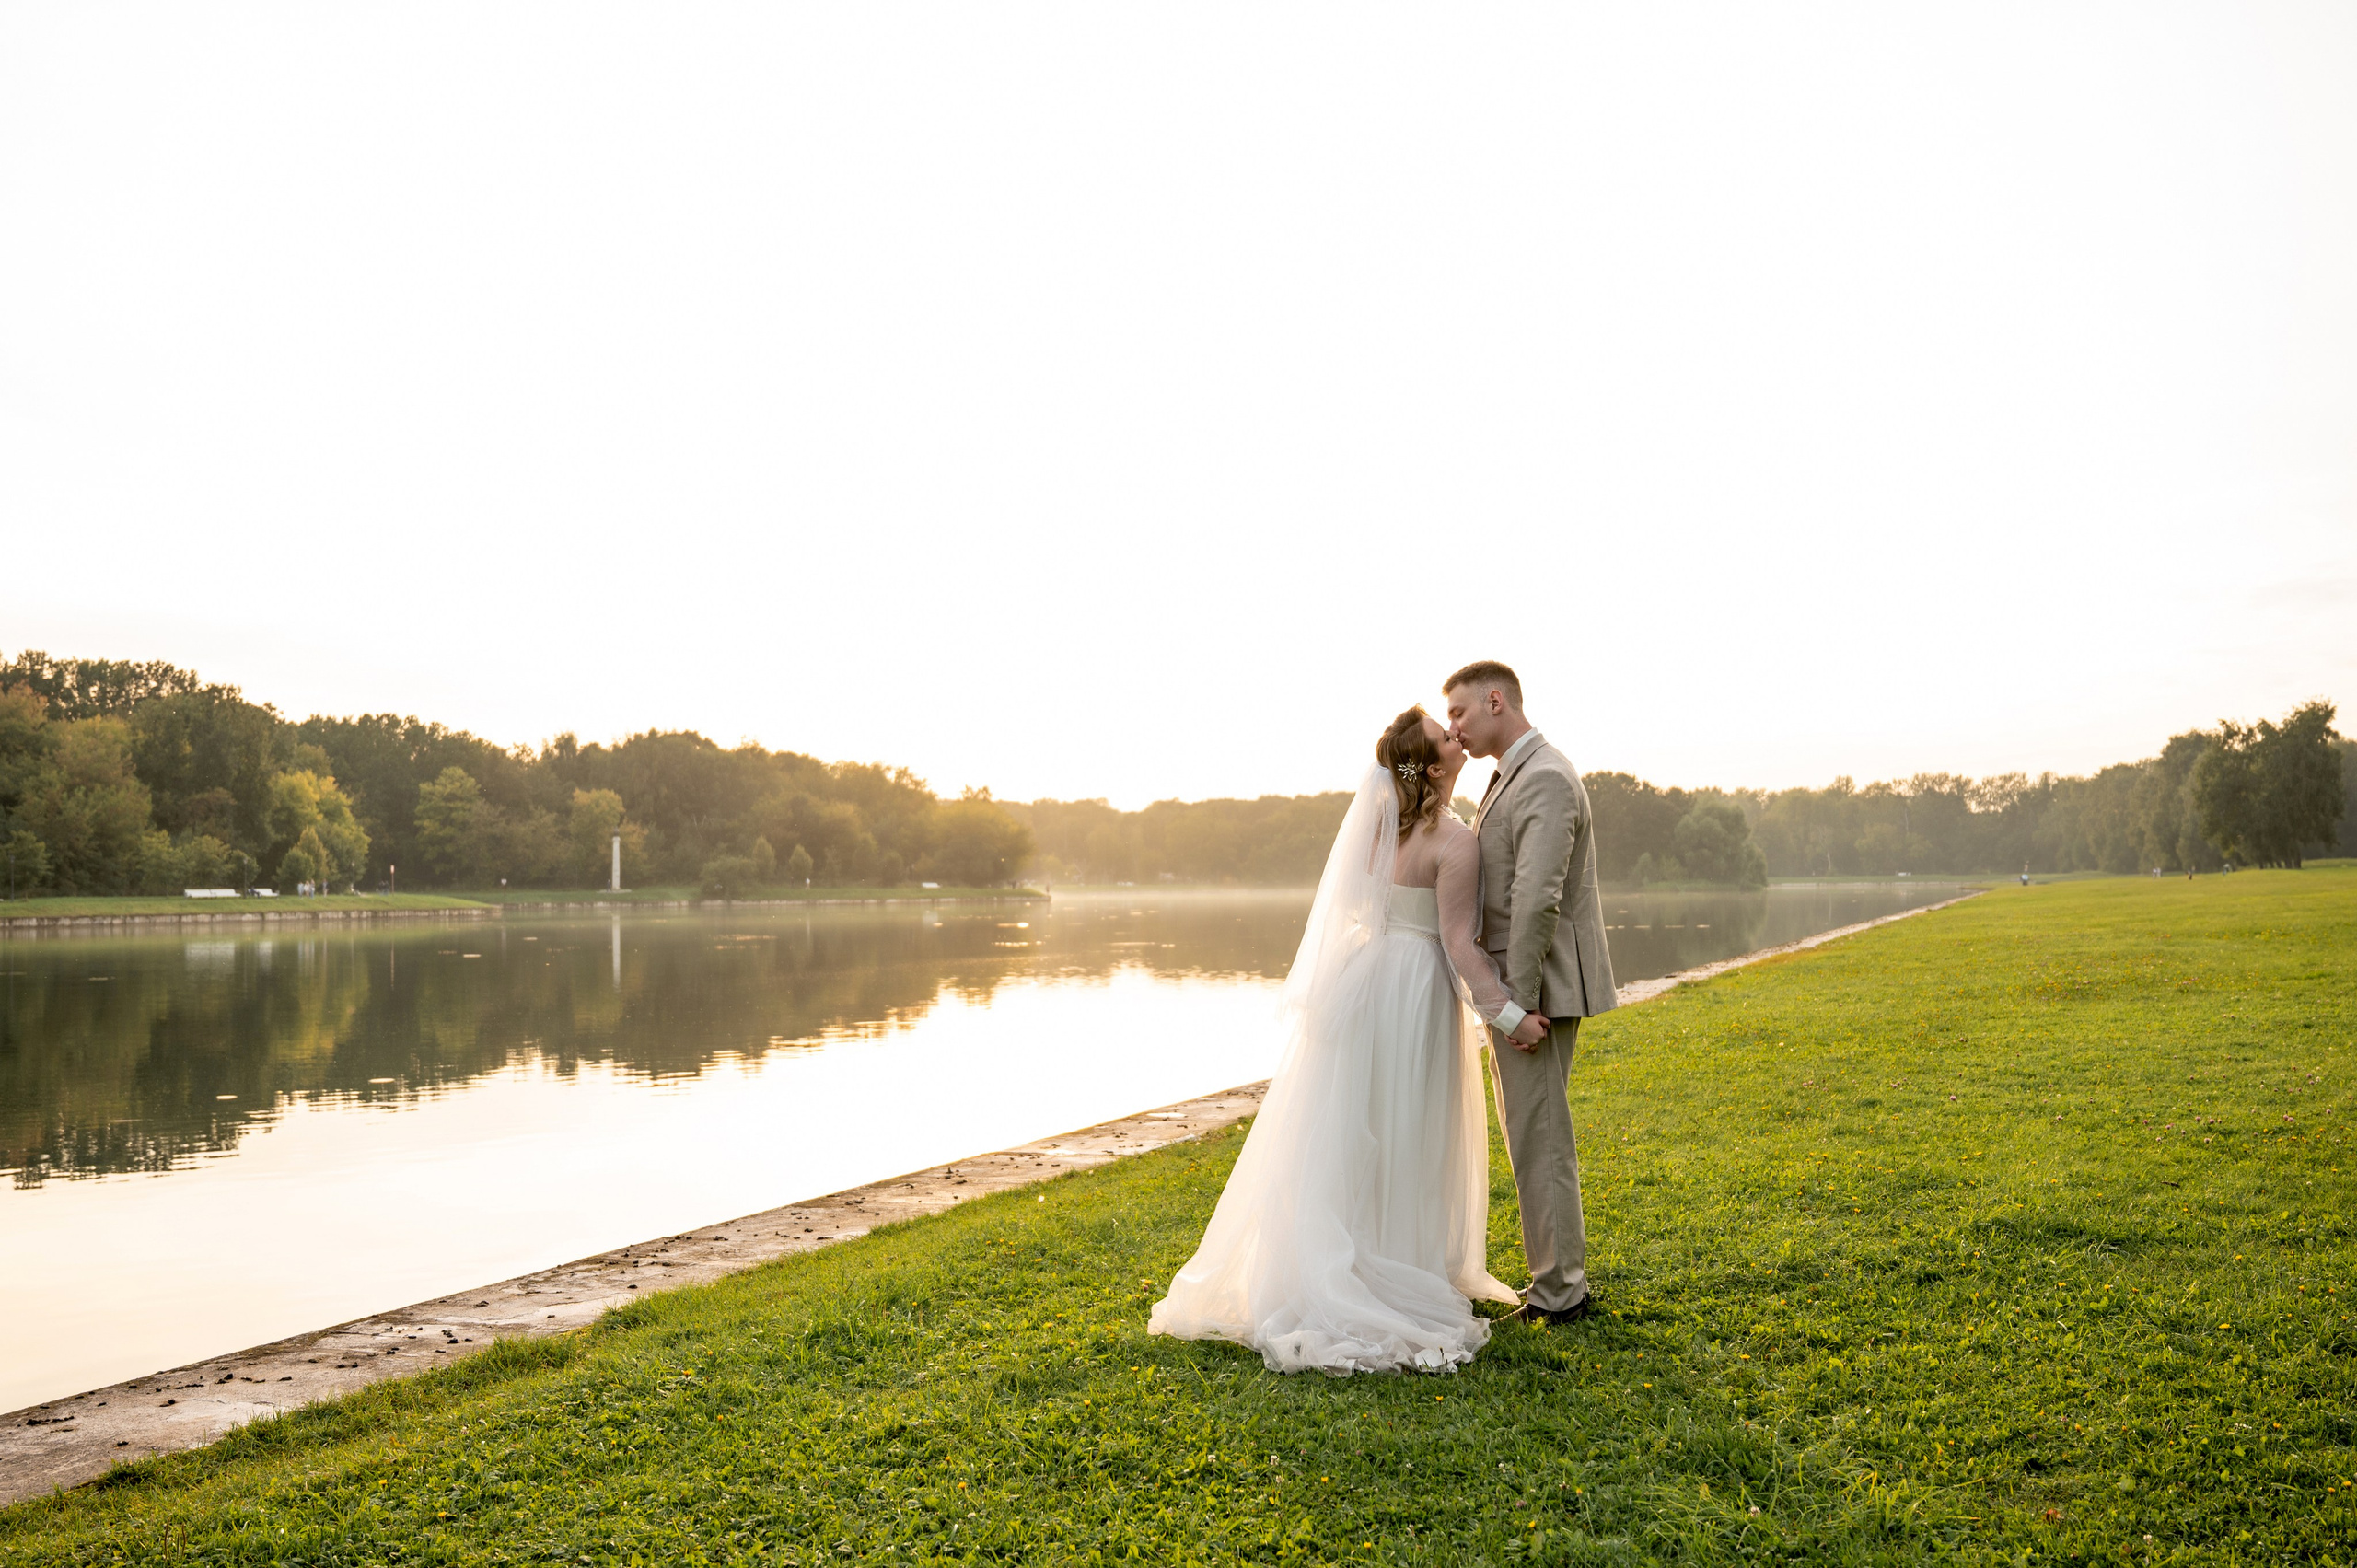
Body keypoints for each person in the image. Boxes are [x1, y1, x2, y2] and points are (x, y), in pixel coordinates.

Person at [1148, 706, 1538, 1373]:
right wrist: (1510, 1017)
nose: (1457, 735)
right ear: (1435, 765)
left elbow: (1361, 912)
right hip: (1416, 990)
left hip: (1369, 980)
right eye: (1446, 735)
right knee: (1408, 1127)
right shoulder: (1455, 841)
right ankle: (1401, 1264)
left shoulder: (1378, 838)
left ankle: (1364, 1253)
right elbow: (1457, 944)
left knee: (1363, 1126)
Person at [1443, 659, 1617, 1326]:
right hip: (1521, 994)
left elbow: (1536, 898)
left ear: (1495, 700)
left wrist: (1514, 1004)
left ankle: (1561, 1294)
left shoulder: (1543, 775)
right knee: (1530, 1134)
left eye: (1459, 712)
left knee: (1541, 1139)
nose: (1454, 728)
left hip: (1537, 992)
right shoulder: (1511, 774)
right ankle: (1555, 1281)